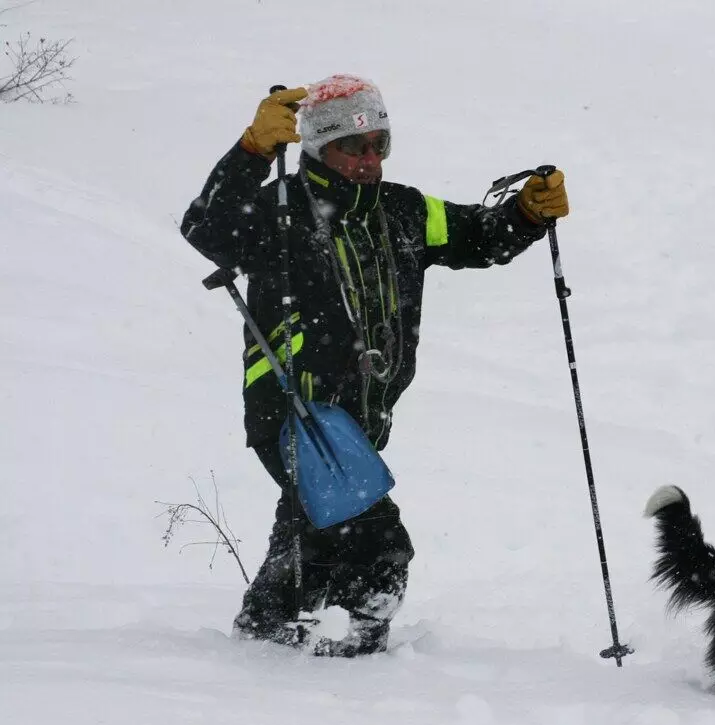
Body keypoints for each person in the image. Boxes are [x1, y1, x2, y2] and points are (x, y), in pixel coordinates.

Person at [180, 74, 569, 656]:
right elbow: (205, 228)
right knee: (378, 546)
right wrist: (252, 151)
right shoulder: (279, 208)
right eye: (352, 146)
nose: (368, 159)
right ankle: (356, 669)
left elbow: (477, 237)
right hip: (297, 407)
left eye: (378, 145)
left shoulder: (402, 210)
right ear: (318, 147)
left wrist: (528, 215)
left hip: (363, 413)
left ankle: (261, 646)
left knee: (313, 535)